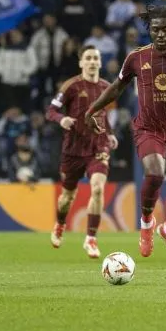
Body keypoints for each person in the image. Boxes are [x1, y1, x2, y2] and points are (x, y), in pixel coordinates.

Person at [85, 5, 166, 262]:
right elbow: (117, 87)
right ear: (149, 31)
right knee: (154, 172)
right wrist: (92, 109)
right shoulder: (136, 58)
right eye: (155, 29)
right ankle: (147, 224)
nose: (160, 34)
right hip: (148, 128)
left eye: (165, 29)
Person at [46, 45, 119, 259]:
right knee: (67, 197)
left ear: (100, 62)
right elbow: (51, 110)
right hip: (73, 149)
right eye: (88, 58)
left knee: (97, 189)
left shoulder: (107, 87)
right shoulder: (71, 86)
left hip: (98, 146)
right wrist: (62, 119)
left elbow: (103, 115)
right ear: (81, 63)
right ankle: (60, 224)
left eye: (96, 58)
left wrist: (111, 134)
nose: (92, 61)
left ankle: (91, 239)